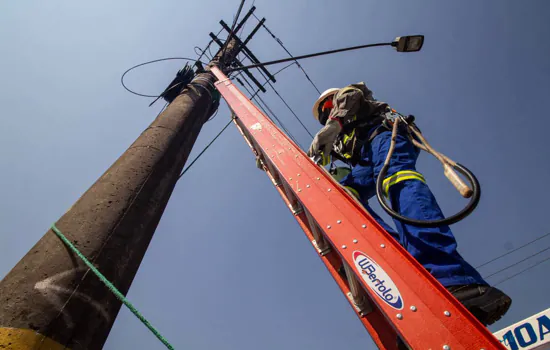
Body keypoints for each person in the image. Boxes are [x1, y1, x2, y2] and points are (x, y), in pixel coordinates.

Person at [307, 82, 512, 326]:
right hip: (366, 159)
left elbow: (350, 96)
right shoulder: (342, 138)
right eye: (324, 114)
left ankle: (452, 277)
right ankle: (399, 260)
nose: (326, 114)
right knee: (344, 196)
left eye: (327, 107)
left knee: (397, 180)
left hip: (385, 135)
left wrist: (332, 126)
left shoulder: (347, 100)